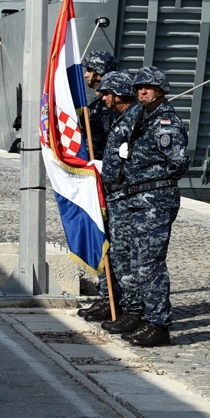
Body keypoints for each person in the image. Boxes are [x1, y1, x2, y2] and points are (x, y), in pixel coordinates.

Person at [101, 66, 189, 347]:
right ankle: (145, 316)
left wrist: (151, 179)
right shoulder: (142, 117)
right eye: (139, 87)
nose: (142, 91)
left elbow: (178, 163)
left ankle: (159, 324)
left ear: (160, 90)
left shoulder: (165, 122)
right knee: (138, 263)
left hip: (155, 201)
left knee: (150, 264)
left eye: (148, 87)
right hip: (138, 201)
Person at [79, 71, 134, 324]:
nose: (102, 98)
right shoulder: (113, 114)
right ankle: (109, 298)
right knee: (108, 246)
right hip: (109, 189)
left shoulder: (134, 119)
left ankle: (128, 307)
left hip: (124, 194)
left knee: (124, 253)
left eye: (107, 93)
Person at [82, 50, 118, 159]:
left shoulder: (110, 103)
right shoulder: (97, 103)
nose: (85, 75)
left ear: (100, 72)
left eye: (90, 70)